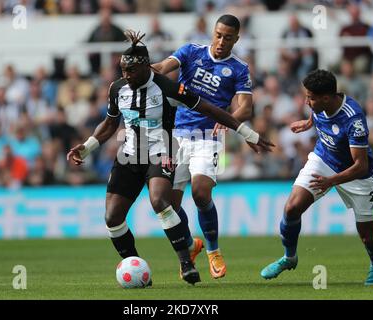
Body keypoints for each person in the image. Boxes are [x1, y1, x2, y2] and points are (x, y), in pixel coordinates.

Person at [67, 30, 274, 286]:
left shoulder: (169, 87)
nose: (125, 76)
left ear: (145, 67)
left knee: (160, 202)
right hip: (129, 154)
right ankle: (137, 265)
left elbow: (209, 109)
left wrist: (247, 132)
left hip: (163, 151)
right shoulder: (117, 88)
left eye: (130, 71)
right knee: (112, 218)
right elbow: (109, 125)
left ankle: (187, 263)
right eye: (122, 71)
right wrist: (86, 148)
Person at [152, 14, 256, 279]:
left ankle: (213, 250)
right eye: (218, 35)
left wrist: (231, 120)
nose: (221, 41)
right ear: (213, 32)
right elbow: (165, 66)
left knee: (200, 192)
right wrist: (145, 68)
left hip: (208, 136)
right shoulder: (191, 51)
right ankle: (190, 244)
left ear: (236, 39)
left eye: (228, 38)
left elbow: (246, 106)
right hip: (176, 135)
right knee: (171, 206)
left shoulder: (239, 68)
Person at [260, 70, 373, 286]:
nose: (306, 101)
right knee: (292, 208)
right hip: (324, 159)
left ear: (326, 98)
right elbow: (318, 114)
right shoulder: (322, 103)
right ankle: (289, 257)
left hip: (357, 175)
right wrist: (309, 123)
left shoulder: (353, 119)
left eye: (310, 97)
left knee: (367, 236)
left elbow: (360, 165)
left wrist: (331, 182)